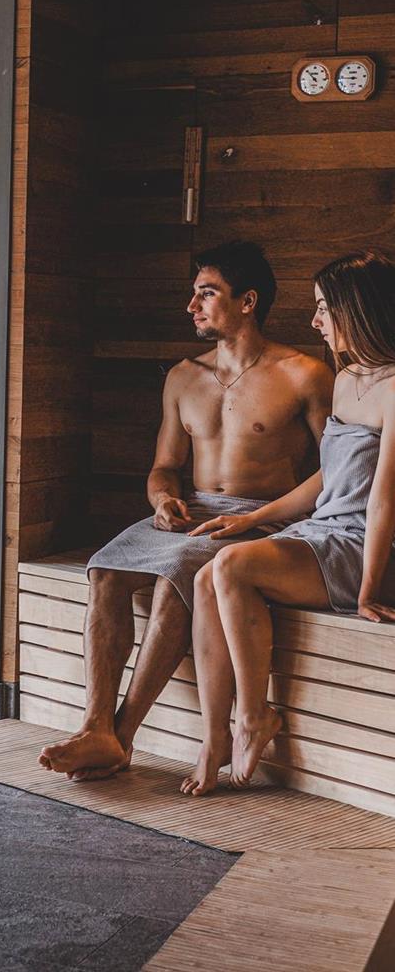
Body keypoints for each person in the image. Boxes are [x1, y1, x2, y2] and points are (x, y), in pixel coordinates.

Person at [38, 241, 333, 781]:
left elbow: (335, 468)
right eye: (194, 294)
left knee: (178, 577)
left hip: (262, 517)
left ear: (247, 301)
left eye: (206, 293)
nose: (191, 306)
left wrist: (262, 517)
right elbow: (164, 466)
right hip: (189, 511)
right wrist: (161, 500)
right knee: (105, 571)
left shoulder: (303, 374)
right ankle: (95, 724)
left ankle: (120, 737)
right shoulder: (182, 376)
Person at [182, 250, 395, 796]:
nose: (315, 320)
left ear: (358, 310)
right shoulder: (349, 381)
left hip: (363, 548)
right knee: (208, 575)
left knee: (231, 569)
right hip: (326, 530)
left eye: (325, 308)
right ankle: (214, 736)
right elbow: (329, 479)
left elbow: (382, 504)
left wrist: (367, 591)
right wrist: (254, 517)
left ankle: (253, 717)